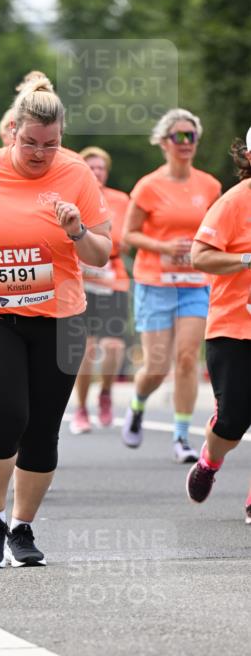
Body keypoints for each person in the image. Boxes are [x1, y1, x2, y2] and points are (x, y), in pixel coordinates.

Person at [0, 71, 111, 567]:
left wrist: (76, 231)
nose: (39, 153)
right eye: (30, 142)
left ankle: (23, 525)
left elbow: (100, 253)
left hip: (60, 319)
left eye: (50, 145)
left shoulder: (76, 175)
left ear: (62, 139)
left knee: (41, 429)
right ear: (12, 131)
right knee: (2, 417)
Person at [121, 109, 221, 461]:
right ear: (164, 142)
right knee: (157, 366)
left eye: (190, 136)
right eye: (178, 136)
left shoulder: (209, 186)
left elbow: (218, 231)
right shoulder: (149, 186)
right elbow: (127, 234)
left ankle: (181, 438)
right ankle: (138, 403)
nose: (185, 143)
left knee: (187, 358)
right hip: (156, 282)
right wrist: (164, 246)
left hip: (194, 282)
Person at [186, 126, 251, 523]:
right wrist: (247, 259)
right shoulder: (235, 202)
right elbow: (199, 256)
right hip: (233, 325)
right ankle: (210, 461)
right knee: (233, 419)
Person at [70, 146, 131, 433]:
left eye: (101, 168)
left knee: (113, 346)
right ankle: (81, 408)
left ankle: (105, 392)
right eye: (91, 167)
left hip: (113, 278)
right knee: (85, 348)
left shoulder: (120, 200)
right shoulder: (74, 197)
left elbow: (127, 238)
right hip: (81, 280)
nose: (96, 173)